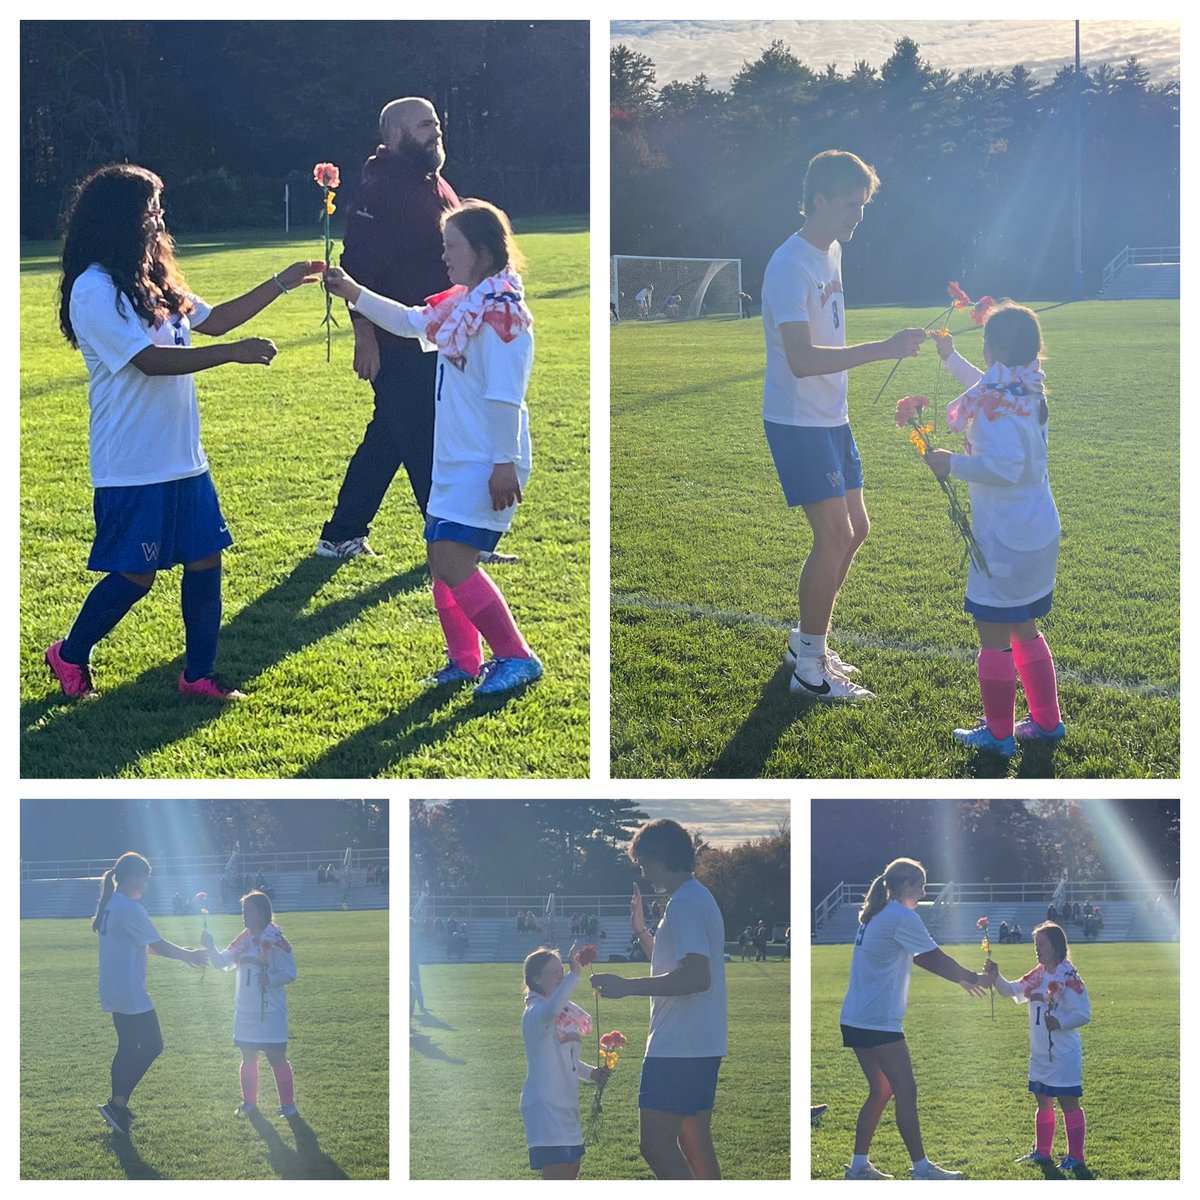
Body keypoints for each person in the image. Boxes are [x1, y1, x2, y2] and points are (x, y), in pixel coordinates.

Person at [46, 163, 321, 701]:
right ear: (119, 217)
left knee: (205, 560)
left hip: (184, 458)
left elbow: (214, 320)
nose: (158, 217)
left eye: (158, 207)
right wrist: (232, 357)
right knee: (135, 577)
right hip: (131, 462)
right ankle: (70, 654)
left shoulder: (153, 279)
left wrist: (282, 282)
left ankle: (198, 675)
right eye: (149, 207)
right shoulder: (94, 288)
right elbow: (148, 361)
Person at [324, 199, 542, 696]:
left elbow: (507, 397)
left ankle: (516, 657)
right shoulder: (462, 306)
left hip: (486, 461)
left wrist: (504, 464)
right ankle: (464, 662)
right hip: (455, 459)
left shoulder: (504, 315)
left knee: (452, 562)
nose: (443, 256)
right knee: (439, 563)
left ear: (483, 251)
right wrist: (353, 291)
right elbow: (407, 322)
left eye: (451, 247)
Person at [761, 150, 926, 702]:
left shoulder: (831, 250)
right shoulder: (789, 265)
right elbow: (802, 360)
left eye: (864, 205)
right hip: (798, 419)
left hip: (832, 415)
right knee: (832, 535)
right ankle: (810, 669)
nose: (858, 215)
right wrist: (883, 350)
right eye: (851, 205)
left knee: (857, 530)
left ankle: (807, 643)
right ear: (820, 199)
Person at [316, 97, 457, 560]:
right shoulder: (380, 193)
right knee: (422, 436)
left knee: (391, 435)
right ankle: (454, 541)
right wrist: (364, 334)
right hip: (398, 339)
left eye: (436, 123)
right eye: (424, 126)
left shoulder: (434, 183)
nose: (435, 132)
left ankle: (340, 534)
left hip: (436, 336)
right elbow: (356, 268)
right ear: (396, 135)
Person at [926, 303, 1064, 756]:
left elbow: (1006, 467)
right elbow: (982, 384)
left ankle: (999, 735)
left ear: (995, 349)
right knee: (1024, 624)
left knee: (993, 631)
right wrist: (949, 356)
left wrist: (952, 463)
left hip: (1007, 539)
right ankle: (1046, 723)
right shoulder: (1023, 386)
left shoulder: (996, 406)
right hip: (1035, 531)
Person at [591, 819, 726, 1180]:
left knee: (656, 1146)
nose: (643, 871)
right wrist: (641, 931)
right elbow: (674, 963)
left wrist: (626, 986)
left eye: (643, 862)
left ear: (662, 856)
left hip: (677, 1048)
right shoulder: (695, 897)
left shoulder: (684, 904)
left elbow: (697, 976)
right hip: (699, 1045)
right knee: (695, 1144)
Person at [838, 856, 988, 1180]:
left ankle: (857, 1167)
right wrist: (973, 977)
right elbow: (932, 957)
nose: (922, 893)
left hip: (856, 1018)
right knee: (905, 1089)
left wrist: (961, 979)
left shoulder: (879, 913)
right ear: (906, 885)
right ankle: (921, 1170)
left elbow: (922, 959)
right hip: (876, 1021)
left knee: (880, 1090)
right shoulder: (900, 915)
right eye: (921, 886)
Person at [93, 851, 209, 1135]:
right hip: (129, 991)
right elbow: (158, 943)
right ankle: (116, 1104)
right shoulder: (129, 908)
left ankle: (117, 1107)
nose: (146, 882)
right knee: (153, 1045)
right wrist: (189, 955)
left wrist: (186, 955)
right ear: (132, 877)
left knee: (128, 1046)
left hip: (115, 987)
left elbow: (147, 945)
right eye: (144, 876)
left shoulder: (114, 904)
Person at [984, 921, 1091, 1172]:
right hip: (1041, 1054)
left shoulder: (1070, 977)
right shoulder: (1038, 974)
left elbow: (1084, 1013)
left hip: (1063, 1055)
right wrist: (995, 976)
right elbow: (1010, 990)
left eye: (1041, 944)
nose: (1037, 949)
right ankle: (1042, 1152)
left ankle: (1076, 1156)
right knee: (1043, 1101)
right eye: (1036, 945)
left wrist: (1060, 1022)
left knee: (1068, 1104)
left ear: (1055, 946)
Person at [201, 890, 299, 1117]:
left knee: (276, 1057)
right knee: (248, 1055)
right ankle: (249, 1102)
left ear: (262, 912)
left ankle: (288, 1106)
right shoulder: (243, 939)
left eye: (248, 910)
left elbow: (290, 972)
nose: (244, 915)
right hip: (245, 1010)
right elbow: (221, 962)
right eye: (243, 910)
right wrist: (211, 946)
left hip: (271, 1011)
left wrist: (271, 979)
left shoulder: (277, 940)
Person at [520, 944, 610, 1179]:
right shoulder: (534, 1014)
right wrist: (574, 975)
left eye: (562, 970)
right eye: (555, 973)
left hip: (567, 1107)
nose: (560, 976)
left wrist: (592, 1073)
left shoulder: (565, 1014)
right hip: (545, 1107)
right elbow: (550, 1011)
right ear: (536, 979)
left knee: (571, 1171)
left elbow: (568, 1061)